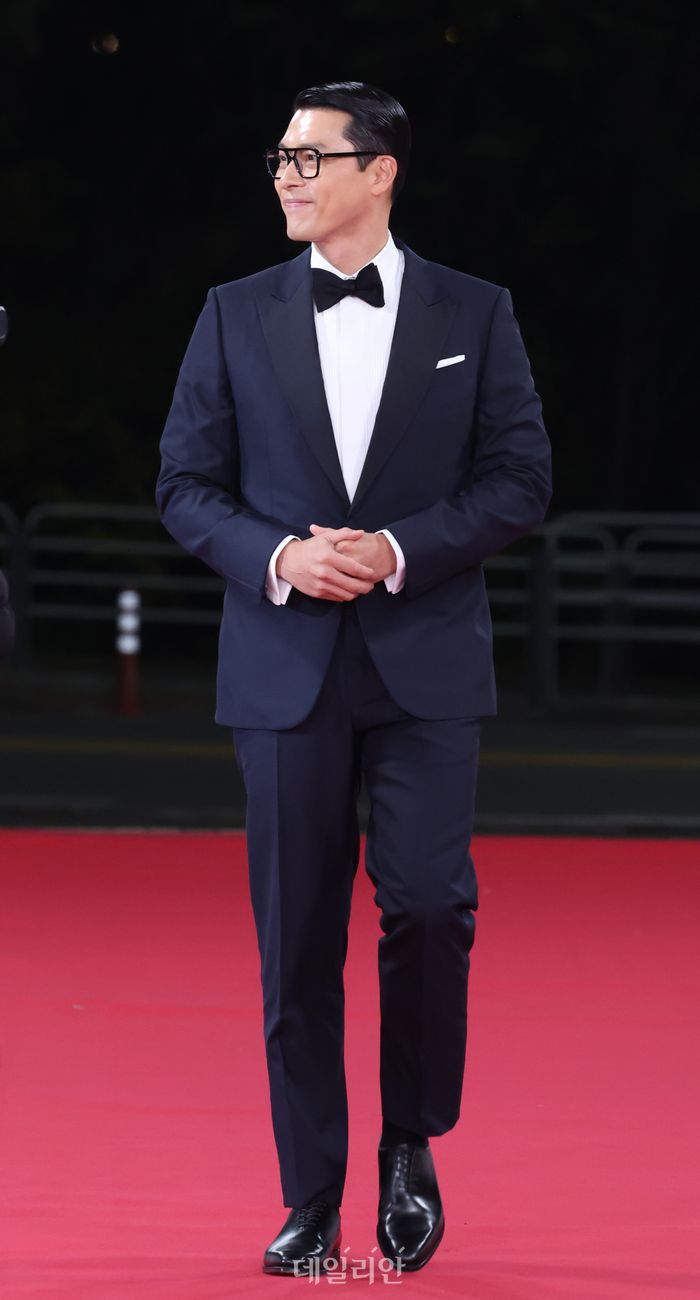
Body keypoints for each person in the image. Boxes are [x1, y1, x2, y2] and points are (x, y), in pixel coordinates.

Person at [156, 80, 552, 1276]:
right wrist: (280, 556)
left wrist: (395, 549)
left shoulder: (475, 312)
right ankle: (310, 1195)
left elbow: (519, 479)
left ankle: (409, 1143)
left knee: (428, 905)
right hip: (283, 666)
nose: (286, 176)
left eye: (309, 157)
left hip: (426, 663)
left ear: (379, 171)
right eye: (279, 157)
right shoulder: (232, 313)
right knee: (296, 937)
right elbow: (184, 487)